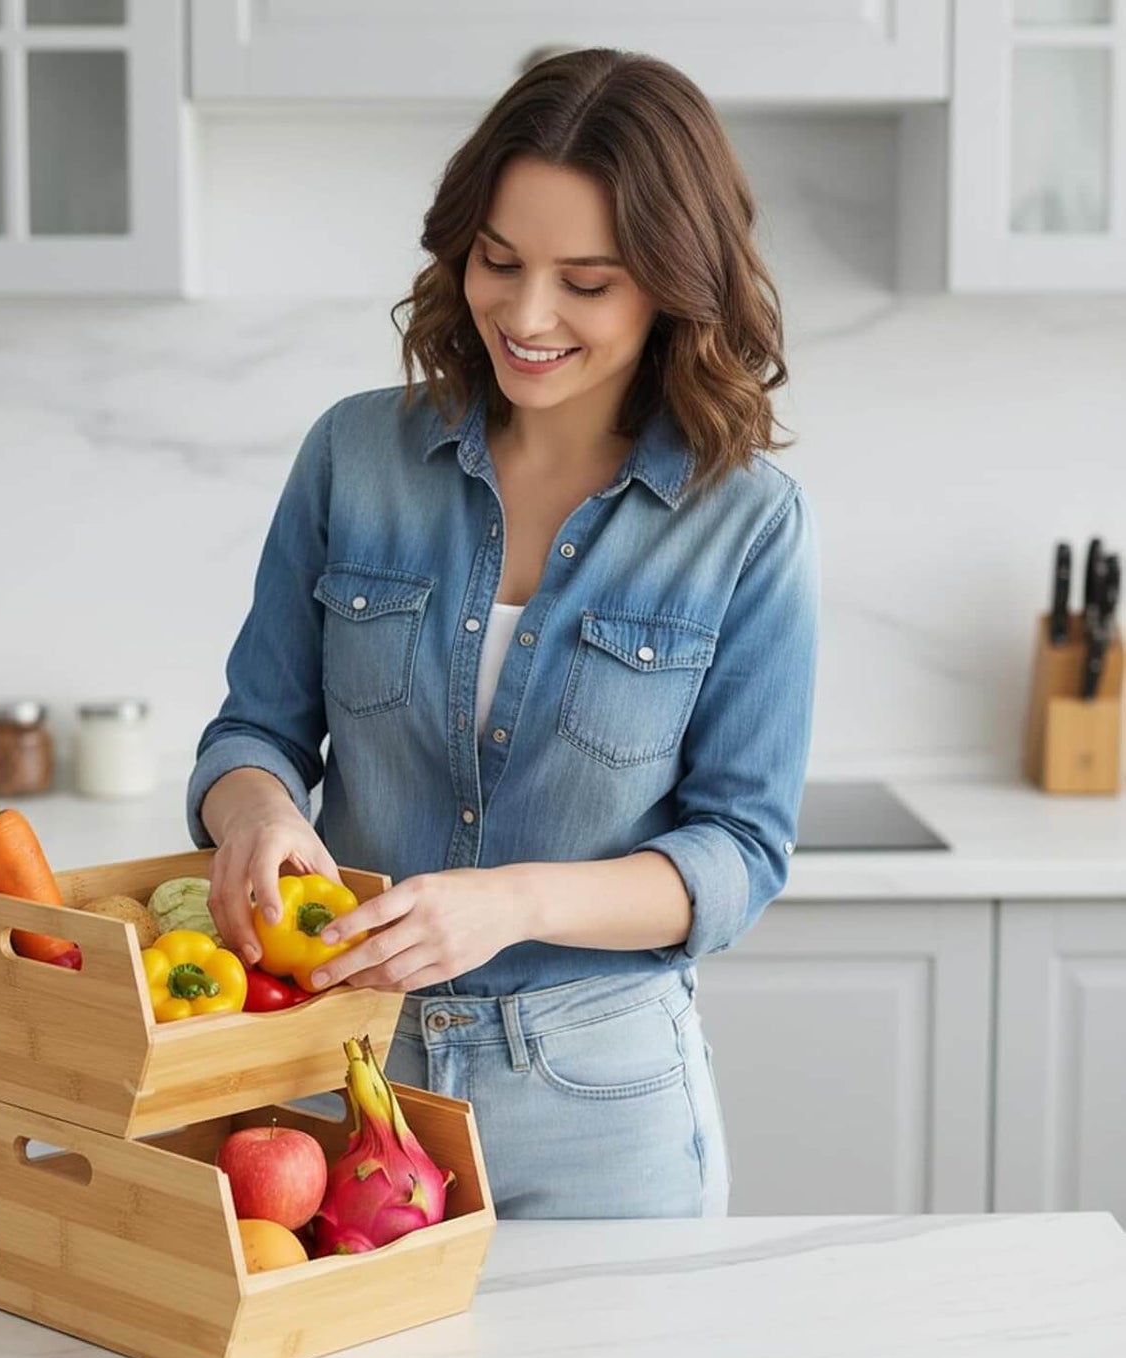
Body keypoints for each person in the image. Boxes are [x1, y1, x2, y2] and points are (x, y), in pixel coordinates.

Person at [185, 47, 819, 1219]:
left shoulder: (744, 522)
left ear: (676, 284)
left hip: (600, 1103)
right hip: (340, 1077)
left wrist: (513, 903)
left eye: (587, 281)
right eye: (498, 261)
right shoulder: (355, 454)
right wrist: (261, 812)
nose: (525, 316)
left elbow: (738, 853)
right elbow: (251, 732)